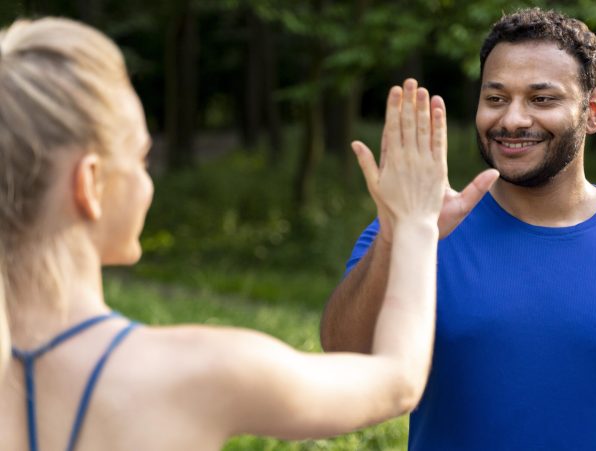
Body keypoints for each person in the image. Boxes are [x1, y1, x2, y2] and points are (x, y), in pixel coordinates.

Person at [0, 17, 499, 451]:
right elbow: (396, 381)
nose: (146, 179)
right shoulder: (196, 370)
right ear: (90, 183)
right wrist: (414, 222)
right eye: (140, 157)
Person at [321, 7, 596, 451]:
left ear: (593, 111)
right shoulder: (416, 228)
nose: (512, 120)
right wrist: (398, 235)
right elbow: (347, 359)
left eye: (541, 99)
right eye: (496, 98)